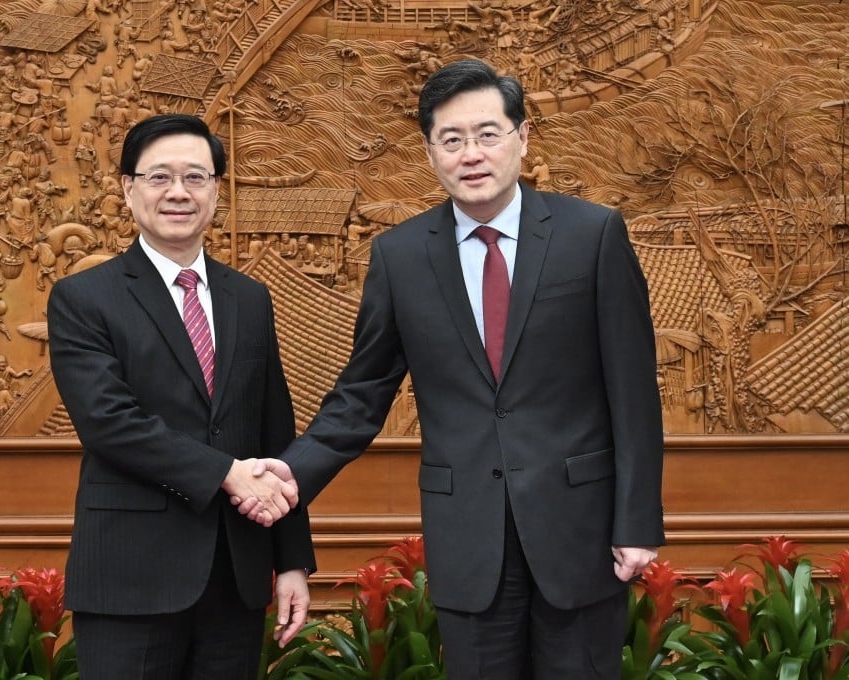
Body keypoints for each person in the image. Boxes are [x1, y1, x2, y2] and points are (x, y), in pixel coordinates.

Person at [238, 58, 664, 679]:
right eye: (451, 139)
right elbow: (362, 395)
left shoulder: (592, 234)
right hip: (468, 536)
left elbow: (634, 392)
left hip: (583, 532)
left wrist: (637, 521)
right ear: (430, 152)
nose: (471, 154)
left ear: (522, 137)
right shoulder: (400, 255)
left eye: (488, 134)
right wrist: (289, 476)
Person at [47, 114, 314, 679]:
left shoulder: (250, 298)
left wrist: (292, 562)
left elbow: (275, 431)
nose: (178, 193)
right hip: (130, 576)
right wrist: (227, 473)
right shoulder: (83, 298)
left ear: (216, 189)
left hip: (236, 577)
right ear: (128, 188)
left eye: (196, 177)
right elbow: (108, 422)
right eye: (159, 177)